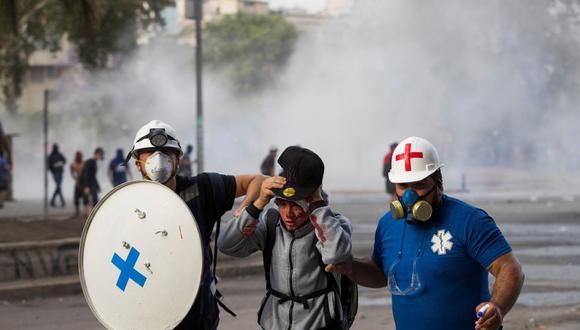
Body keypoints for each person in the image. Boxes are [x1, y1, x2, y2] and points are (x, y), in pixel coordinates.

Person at [327, 137, 525, 330]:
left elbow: (509, 268)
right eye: (403, 186)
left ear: (439, 186)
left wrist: (497, 307)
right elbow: (382, 273)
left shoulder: (469, 221)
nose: (410, 196)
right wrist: (351, 267)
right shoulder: (388, 224)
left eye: (420, 185)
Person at [126, 120, 265, 330]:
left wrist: (243, 211)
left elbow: (258, 180)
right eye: (150, 153)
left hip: (198, 314)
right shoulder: (126, 205)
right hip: (149, 313)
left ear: (178, 160)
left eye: (166, 151)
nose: (159, 158)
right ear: (138, 163)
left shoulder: (202, 189)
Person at [218, 146, 353, 329]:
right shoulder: (271, 224)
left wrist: (318, 207)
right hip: (275, 323)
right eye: (281, 203)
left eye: (297, 206)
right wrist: (259, 203)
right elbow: (226, 244)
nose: (288, 214)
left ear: (312, 199)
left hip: (320, 324)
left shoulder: (334, 224)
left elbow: (335, 255)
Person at [80, 147, 104, 214]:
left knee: (94, 200)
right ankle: (90, 215)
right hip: (88, 184)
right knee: (90, 200)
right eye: (101, 155)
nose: (101, 157)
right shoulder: (89, 162)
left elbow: (93, 176)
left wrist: (98, 186)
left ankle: (92, 214)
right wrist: (86, 186)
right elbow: (86, 174)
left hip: (92, 184)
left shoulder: (94, 162)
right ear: (97, 154)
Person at [70, 151, 88, 216]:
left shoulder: (84, 163)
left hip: (84, 182)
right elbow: (71, 172)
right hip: (78, 182)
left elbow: (87, 173)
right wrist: (75, 178)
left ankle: (85, 212)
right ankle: (77, 211)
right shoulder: (73, 164)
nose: (78, 157)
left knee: (85, 198)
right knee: (76, 197)